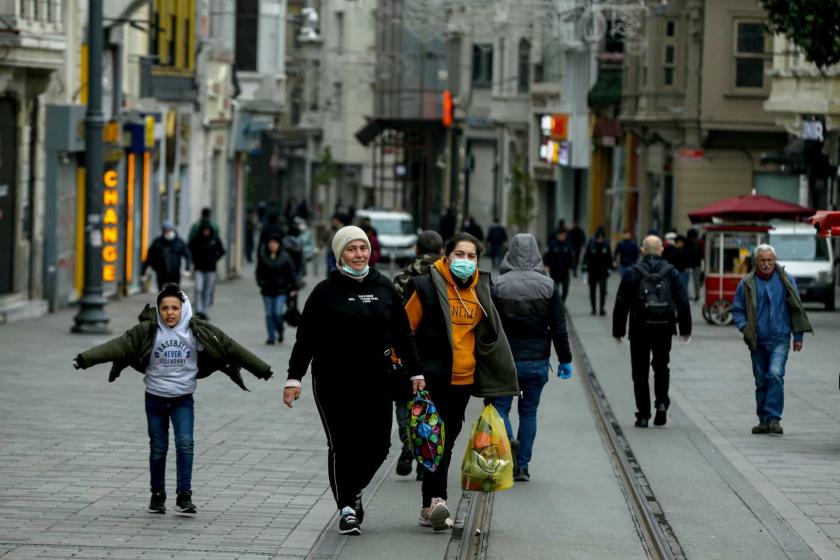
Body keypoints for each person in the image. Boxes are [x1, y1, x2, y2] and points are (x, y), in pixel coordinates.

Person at [73, 284, 273, 516]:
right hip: (155, 399)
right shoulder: (148, 331)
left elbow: (232, 348)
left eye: (175, 308)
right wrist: (84, 359)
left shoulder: (197, 332)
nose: (169, 313)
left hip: (183, 399)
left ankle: (184, 496)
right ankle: (157, 495)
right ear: (158, 310)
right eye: (165, 308)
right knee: (158, 448)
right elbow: (117, 346)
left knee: (185, 444)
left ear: (183, 309)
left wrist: (262, 369)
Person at [283, 226, 425, 536]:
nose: (359, 254)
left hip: (377, 381)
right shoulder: (324, 292)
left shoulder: (385, 288)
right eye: (351, 249)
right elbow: (305, 339)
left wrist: (416, 372)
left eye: (363, 248)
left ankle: (353, 488)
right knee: (342, 446)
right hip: (333, 383)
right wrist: (294, 378)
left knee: (379, 447)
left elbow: (403, 335)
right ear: (339, 254)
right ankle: (346, 507)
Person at [404, 232, 518, 531]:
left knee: (446, 441)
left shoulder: (481, 288)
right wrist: (410, 369)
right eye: (460, 255)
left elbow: (490, 336)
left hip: (463, 380)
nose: (465, 261)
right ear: (446, 255)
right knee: (435, 441)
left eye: (472, 256)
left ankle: (428, 507)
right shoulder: (427, 285)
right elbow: (404, 331)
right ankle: (437, 501)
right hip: (430, 379)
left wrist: (497, 380)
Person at [490, 234, 573, 482]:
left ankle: (509, 441)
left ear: (510, 252)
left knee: (499, 408)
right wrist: (565, 359)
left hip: (505, 360)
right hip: (537, 361)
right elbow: (559, 327)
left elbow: (489, 325)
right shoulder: (548, 285)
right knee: (529, 412)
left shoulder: (498, 284)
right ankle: (523, 466)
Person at [732, 244, 812, 436]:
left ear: (774, 260)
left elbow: (796, 309)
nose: (767, 264)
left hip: (780, 337)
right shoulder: (747, 283)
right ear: (756, 262)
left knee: (775, 374)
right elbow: (737, 310)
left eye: (770, 260)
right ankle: (763, 420)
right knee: (761, 380)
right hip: (757, 340)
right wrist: (745, 329)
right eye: (763, 260)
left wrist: (798, 336)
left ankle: (774, 418)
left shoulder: (786, 279)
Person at [612, 236, 692, 428]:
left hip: (639, 328)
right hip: (664, 327)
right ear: (661, 250)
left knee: (640, 371)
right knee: (661, 366)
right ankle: (662, 403)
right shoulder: (671, 272)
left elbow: (621, 302)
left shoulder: (633, 272)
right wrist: (685, 330)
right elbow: (683, 301)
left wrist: (618, 330)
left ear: (642, 250)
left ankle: (643, 414)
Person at [392, 230, 445, 480]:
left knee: (403, 401)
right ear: (442, 251)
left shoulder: (401, 278)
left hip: (405, 351)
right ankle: (427, 452)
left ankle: (408, 445)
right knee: (432, 405)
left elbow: (390, 316)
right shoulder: (447, 277)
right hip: (436, 353)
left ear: (416, 250)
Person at [256, 233, 298, 345]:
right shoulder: (263, 256)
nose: (272, 245)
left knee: (278, 313)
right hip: (267, 290)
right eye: (270, 243)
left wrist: (295, 287)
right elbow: (258, 272)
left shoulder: (285, 257)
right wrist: (261, 283)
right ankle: (271, 336)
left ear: (279, 244)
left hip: (281, 290)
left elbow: (292, 272)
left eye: (275, 243)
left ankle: (280, 330)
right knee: (269, 314)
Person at [188, 221, 226, 320]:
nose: (206, 232)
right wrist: (193, 259)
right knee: (198, 288)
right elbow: (189, 249)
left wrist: (215, 258)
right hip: (199, 268)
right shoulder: (197, 239)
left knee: (207, 290)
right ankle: (199, 310)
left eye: (207, 230)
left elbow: (222, 250)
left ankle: (204, 310)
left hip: (211, 268)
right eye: (204, 230)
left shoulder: (214, 239)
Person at [142, 221, 192, 290]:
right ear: (163, 232)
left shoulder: (179, 242)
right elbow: (149, 257)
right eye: (166, 231)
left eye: (169, 230)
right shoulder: (157, 242)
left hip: (175, 273)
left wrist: (187, 268)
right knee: (162, 294)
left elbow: (188, 255)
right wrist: (144, 272)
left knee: (174, 293)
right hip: (161, 273)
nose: (168, 232)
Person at [582, 229, 613, 316]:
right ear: (596, 238)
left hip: (603, 272)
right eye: (598, 238)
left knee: (602, 291)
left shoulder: (606, 247)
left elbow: (610, 258)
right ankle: (593, 309)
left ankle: (602, 309)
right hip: (592, 272)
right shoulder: (591, 246)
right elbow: (586, 256)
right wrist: (584, 267)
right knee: (592, 291)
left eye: (601, 238)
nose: (600, 239)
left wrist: (610, 269)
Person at [543, 228, 574, 302]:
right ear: (558, 235)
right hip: (555, 271)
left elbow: (571, 257)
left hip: (565, 271)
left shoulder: (568, 245)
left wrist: (571, 267)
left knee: (565, 288)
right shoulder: (552, 244)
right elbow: (546, 256)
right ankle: (556, 303)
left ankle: (562, 302)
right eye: (562, 235)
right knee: (555, 289)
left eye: (564, 235)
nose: (563, 236)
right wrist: (546, 266)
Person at [685, 229, 703, 301]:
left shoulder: (696, 244)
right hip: (690, 266)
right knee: (692, 281)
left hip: (695, 265)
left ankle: (696, 295)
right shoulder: (689, 244)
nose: (695, 239)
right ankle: (693, 295)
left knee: (696, 281)